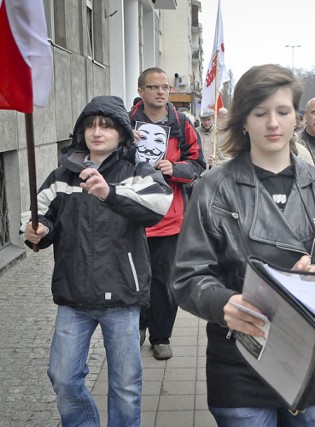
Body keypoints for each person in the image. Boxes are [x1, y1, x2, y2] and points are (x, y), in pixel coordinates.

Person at [170, 63, 315, 427]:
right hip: (239, 359)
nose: (272, 123)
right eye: (260, 113)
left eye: (282, 111)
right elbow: (187, 276)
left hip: (310, 358)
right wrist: (223, 301)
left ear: (297, 118)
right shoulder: (213, 188)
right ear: (243, 121)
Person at [20, 95, 173, 426]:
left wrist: (110, 193)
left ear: (120, 132)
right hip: (74, 295)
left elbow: (158, 206)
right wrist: (37, 230)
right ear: (81, 132)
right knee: (63, 378)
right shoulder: (63, 175)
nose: (97, 131)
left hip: (121, 295)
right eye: (90, 125)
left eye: (106, 125)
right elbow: (41, 216)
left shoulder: (138, 171)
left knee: (125, 385)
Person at [131, 67, 206, 360]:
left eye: (165, 87)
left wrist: (174, 169)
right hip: (133, 219)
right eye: (154, 87)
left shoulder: (181, 123)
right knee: (134, 279)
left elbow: (198, 165)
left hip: (169, 221)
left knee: (165, 282)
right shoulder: (124, 123)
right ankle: (136, 327)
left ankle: (161, 337)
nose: (161, 92)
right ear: (141, 91)